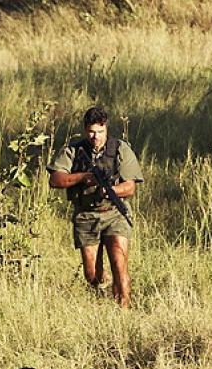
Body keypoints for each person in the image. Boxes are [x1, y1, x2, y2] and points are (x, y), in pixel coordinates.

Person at [47, 106, 144, 308]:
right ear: (85, 130)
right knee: (92, 275)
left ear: (106, 129)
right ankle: (103, 289)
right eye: (91, 132)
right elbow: (56, 179)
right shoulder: (73, 151)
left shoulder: (119, 149)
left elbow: (131, 186)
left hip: (114, 213)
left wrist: (112, 191)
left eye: (100, 132)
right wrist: (84, 177)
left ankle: (123, 311)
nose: (95, 136)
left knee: (120, 266)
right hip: (86, 216)